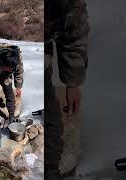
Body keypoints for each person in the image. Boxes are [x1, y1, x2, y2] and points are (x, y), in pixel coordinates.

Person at [46, 0, 90, 179]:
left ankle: (51, 169)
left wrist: (73, 84)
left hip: (42, 49)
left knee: (52, 116)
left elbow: (74, 40)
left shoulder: (72, 7)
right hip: (40, 50)